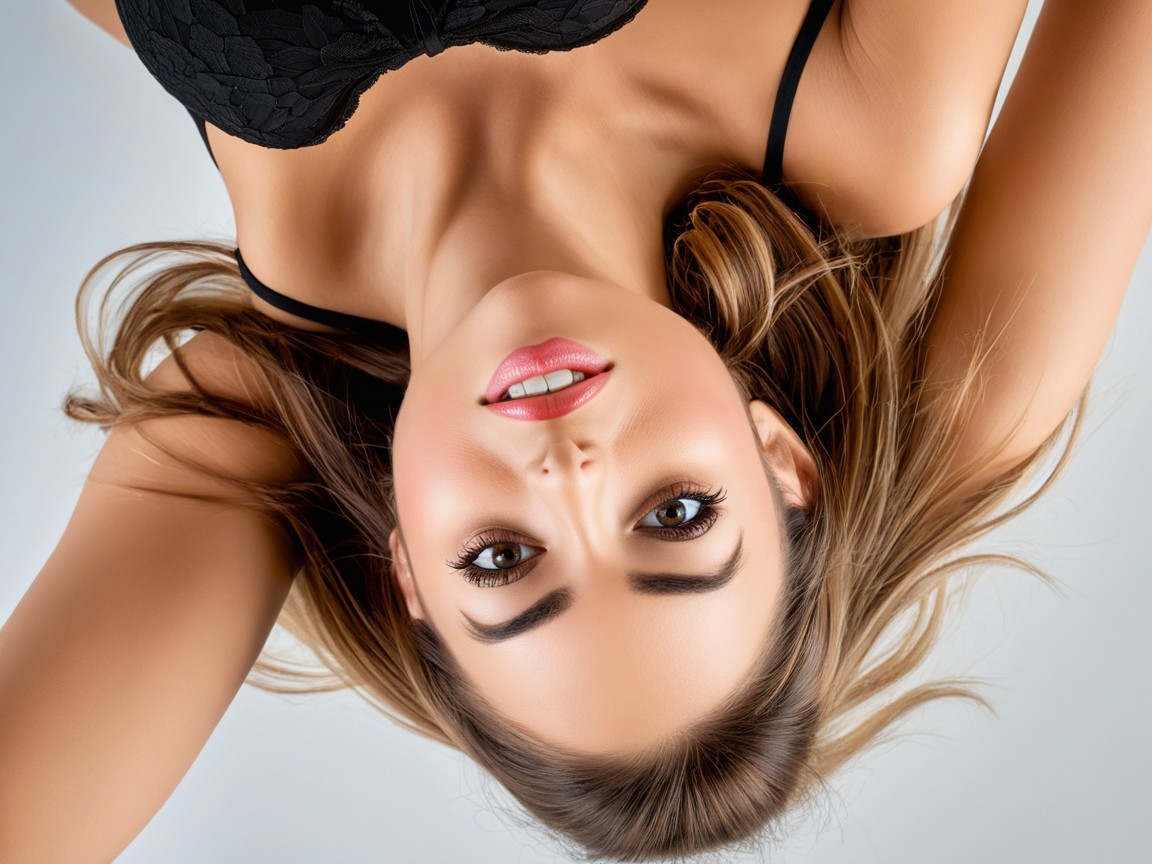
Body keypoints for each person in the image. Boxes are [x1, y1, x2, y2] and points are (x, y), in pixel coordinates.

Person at [1, 0, 1148, 861]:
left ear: (406, 563)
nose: (566, 475)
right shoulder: (871, 115)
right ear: (779, 456)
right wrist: (993, 412)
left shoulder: (265, 386)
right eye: (676, 516)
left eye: (503, 561)